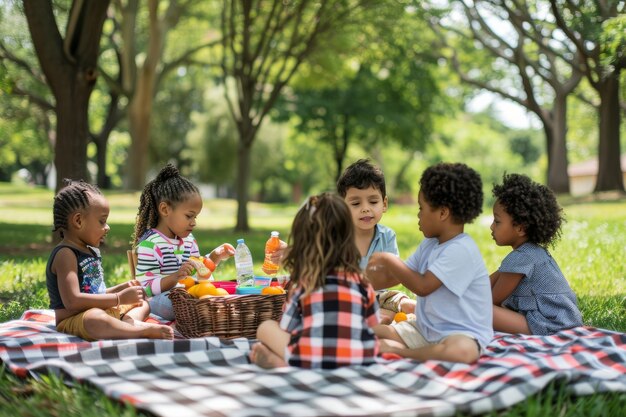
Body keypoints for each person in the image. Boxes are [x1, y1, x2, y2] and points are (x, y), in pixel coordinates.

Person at [366, 162, 493, 364]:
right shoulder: (430, 244)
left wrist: (388, 259)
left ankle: (402, 352)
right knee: (371, 331)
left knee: (463, 352)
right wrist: (363, 281)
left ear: (442, 213)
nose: (418, 214)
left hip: (461, 334)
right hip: (427, 329)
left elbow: (423, 286)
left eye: (421, 208)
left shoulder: (461, 249)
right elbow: (403, 273)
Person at [249, 193, 380, 369]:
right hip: (360, 359)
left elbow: (287, 327)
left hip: (309, 358)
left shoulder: (304, 284)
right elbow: (373, 325)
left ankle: (281, 363)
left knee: (266, 327)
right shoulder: (362, 283)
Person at [46, 179, 174, 341]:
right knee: (95, 319)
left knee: (143, 303)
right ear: (78, 221)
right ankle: (138, 331)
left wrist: (121, 289)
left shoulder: (89, 251)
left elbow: (94, 294)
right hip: (75, 319)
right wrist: (119, 298)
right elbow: (73, 301)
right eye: (102, 221)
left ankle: (127, 324)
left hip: (100, 310)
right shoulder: (65, 254)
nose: (107, 227)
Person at [131, 164, 235, 321]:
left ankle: (206, 313)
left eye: (196, 217)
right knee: (185, 304)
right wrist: (175, 277)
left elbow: (197, 272)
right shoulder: (151, 245)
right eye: (189, 216)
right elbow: (145, 288)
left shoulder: (189, 240)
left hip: (187, 295)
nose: (193, 223)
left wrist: (214, 257)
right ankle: (204, 314)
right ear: (165, 210)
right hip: (159, 300)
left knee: (211, 295)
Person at [489, 173, 583, 335]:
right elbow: (485, 284)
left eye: (497, 221)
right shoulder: (531, 253)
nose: (491, 227)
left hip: (550, 324)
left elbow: (490, 300)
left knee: (479, 311)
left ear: (520, 228)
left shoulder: (521, 258)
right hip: (562, 320)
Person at [336, 158, 403, 324]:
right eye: (356, 203)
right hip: (347, 297)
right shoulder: (337, 237)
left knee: (405, 303)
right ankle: (373, 319)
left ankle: (375, 317)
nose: (366, 208)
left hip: (380, 296)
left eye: (373, 201)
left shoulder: (387, 236)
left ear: (384, 203)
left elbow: (393, 274)